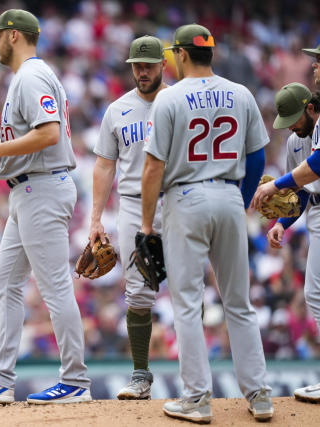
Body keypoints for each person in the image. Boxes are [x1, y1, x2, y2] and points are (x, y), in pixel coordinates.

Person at [0, 9, 91, 404]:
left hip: (42, 188)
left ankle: (76, 380)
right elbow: (32, 136)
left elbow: (47, 134)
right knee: (6, 283)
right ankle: (0, 378)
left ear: (14, 36)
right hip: (28, 189)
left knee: (53, 286)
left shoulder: (29, 76)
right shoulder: (28, 77)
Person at [140, 24, 273, 422]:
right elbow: (258, 158)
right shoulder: (242, 93)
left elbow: (152, 168)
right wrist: (242, 199)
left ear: (181, 55)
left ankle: (197, 398)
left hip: (186, 197)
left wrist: (147, 227)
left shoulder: (169, 98)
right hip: (230, 195)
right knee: (239, 303)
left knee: (187, 304)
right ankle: (260, 394)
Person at [88, 35, 167, 400]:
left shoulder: (177, 100)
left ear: (163, 65)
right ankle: (140, 375)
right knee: (137, 292)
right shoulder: (118, 109)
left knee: (186, 290)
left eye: (148, 64)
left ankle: (196, 374)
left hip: (176, 199)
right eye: (137, 64)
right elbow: (104, 167)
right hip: (133, 203)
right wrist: (95, 218)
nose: (142, 71)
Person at [252, 56, 320, 405]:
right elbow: (303, 191)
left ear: (310, 109)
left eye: (294, 120)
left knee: (315, 293)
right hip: (317, 215)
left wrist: (274, 186)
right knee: (315, 294)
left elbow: (318, 166)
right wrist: (281, 222)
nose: (291, 128)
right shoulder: (296, 142)